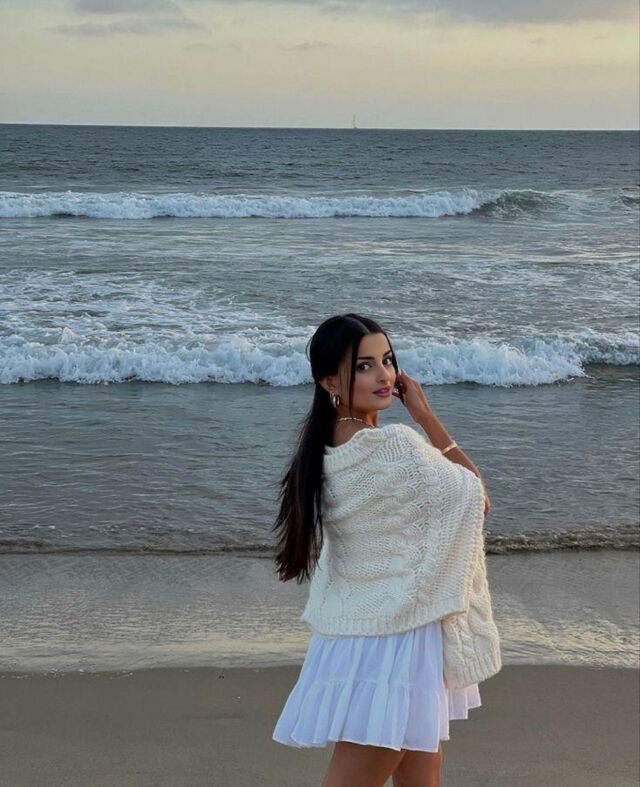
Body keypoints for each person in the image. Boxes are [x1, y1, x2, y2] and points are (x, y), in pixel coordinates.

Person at [271, 313, 501, 787]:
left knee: (420, 777)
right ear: (329, 381)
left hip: (359, 630)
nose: (384, 376)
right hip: (398, 639)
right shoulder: (394, 446)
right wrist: (426, 417)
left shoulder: (324, 448)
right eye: (364, 366)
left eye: (388, 360)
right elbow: (476, 497)